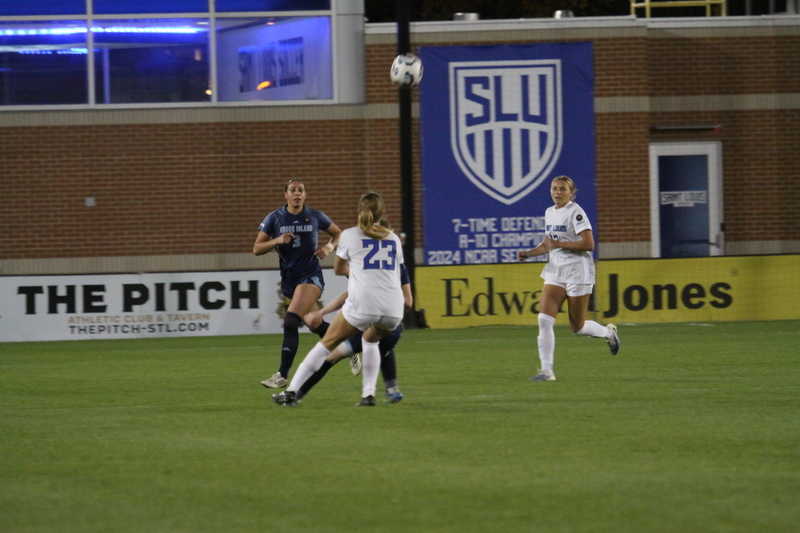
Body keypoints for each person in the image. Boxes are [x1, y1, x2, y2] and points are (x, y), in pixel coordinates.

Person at [272, 191, 406, 407]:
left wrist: (357, 271)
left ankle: (291, 390)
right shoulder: (393, 239)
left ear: (358, 212)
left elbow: (338, 269)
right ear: (383, 213)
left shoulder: (350, 235)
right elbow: (395, 274)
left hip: (364, 303)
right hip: (393, 307)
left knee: (326, 344)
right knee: (371, 339)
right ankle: (368, 395)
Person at [517, 175, 620, 381]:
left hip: (577, 272)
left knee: (577, 327)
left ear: (571, 192)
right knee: (544, 320)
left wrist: (559, 245)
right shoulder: (549, 212)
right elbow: (549, 244)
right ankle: (547, 371)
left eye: (562, 189)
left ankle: (608, 333)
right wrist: (529, 253)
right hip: (556, 271)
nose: (557, 192)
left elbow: (589, 244)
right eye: (554, 188)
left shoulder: (576, 213)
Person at [254, 179, 342, 389]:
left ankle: (282, 375)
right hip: (290, 279)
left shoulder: (315, 216)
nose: (297, 194)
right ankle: (348, 344)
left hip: (310, 276)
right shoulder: (274, 218)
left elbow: (339, 233)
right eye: (292, 190)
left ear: (305, 195)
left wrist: (329, 248)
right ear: (285, 194)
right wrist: (277, 240)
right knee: (313, 322)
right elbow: (257, 248)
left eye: (301, 190)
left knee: (291, 321)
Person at [298, 261, 413, 404]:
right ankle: (391, 389)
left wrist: (321, 312)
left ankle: (297, 395)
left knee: (329, 358)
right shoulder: (398, 265)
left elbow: (347, 294)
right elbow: (408, 302)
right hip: (392, 325)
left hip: (364, 325)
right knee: (383, 347)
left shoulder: (363, 265)